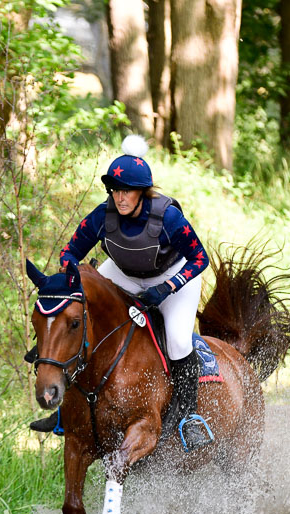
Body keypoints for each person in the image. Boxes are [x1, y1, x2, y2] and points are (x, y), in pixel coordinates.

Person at [29, 135, 213, 453]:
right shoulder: (103, 216)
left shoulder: (167, 217)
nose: (120, 197)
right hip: (124, 273)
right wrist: (67, 277)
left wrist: (167, 288)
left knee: (179, 341)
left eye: (126, 190)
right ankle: (63, 412)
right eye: (114, 190)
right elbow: (70, 251)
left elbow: (200, 259)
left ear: (142, 192)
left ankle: (188, 418)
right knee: (77, 316)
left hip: (172, 278)